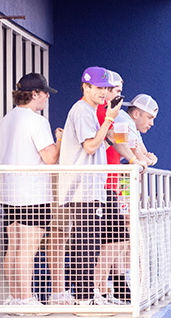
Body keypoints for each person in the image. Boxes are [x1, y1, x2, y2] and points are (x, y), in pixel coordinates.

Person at [56, 66, 142, 305]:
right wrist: (110, 120)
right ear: (86, 87)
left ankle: (88, 295)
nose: (103, 93)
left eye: (106, 88)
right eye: (98, 88)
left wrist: (135, 158)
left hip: (91, 188)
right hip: (81, 188)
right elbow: (90, 146)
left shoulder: (92, 111)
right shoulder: (83, 110)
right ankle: (83, 298)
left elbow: (108, 141)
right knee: (85, 244)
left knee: (90, 243)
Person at [0, 73, 64, 307]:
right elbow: (50, 158)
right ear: (34, 94)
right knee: (28, 248)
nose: (47, 97)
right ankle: (26, 298)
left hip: (8, 191)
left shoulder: (6, 120)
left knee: (13, 246)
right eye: (45, 93)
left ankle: (15, 297)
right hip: (33, 192)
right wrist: (60, 140)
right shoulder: (37, 121)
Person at [92, 91, 161, 303]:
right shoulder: (121, 119)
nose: (151, 123)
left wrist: (142, 158)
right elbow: (136, 154)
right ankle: (99, 289)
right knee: (117, 239)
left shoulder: (125, 122)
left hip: (113, 185)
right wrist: (141, 159)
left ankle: (110, 287)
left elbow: (144, 155)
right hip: (108, 185)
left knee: (120, 239)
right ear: (137, 113)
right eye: (149, 118)